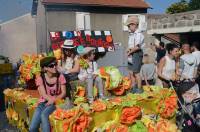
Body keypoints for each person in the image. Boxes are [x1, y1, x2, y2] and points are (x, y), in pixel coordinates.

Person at [29, 57, 66, 132]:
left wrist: (54, 100)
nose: (55, 67)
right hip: (43, 103)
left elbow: (63, 93)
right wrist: (50, 100)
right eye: (51, 66)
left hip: (56, 103)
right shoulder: (40, 78)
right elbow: (44, 94)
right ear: (45, 68)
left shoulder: (60, 76)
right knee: (32, 128)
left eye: (55, 64)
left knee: (44, 115)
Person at [125, 16, 145, 93]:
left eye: (129, 26)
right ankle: (133, 87)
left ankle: (139, 88)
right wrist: (128, 49)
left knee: (136, 72)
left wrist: (130, 52)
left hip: (136, 53)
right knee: (131, 72)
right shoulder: (132, 34)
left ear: (134, 24)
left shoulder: (139, 34)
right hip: (131, 53)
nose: (128, 27)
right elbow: (130, 45)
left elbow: (137, 46)